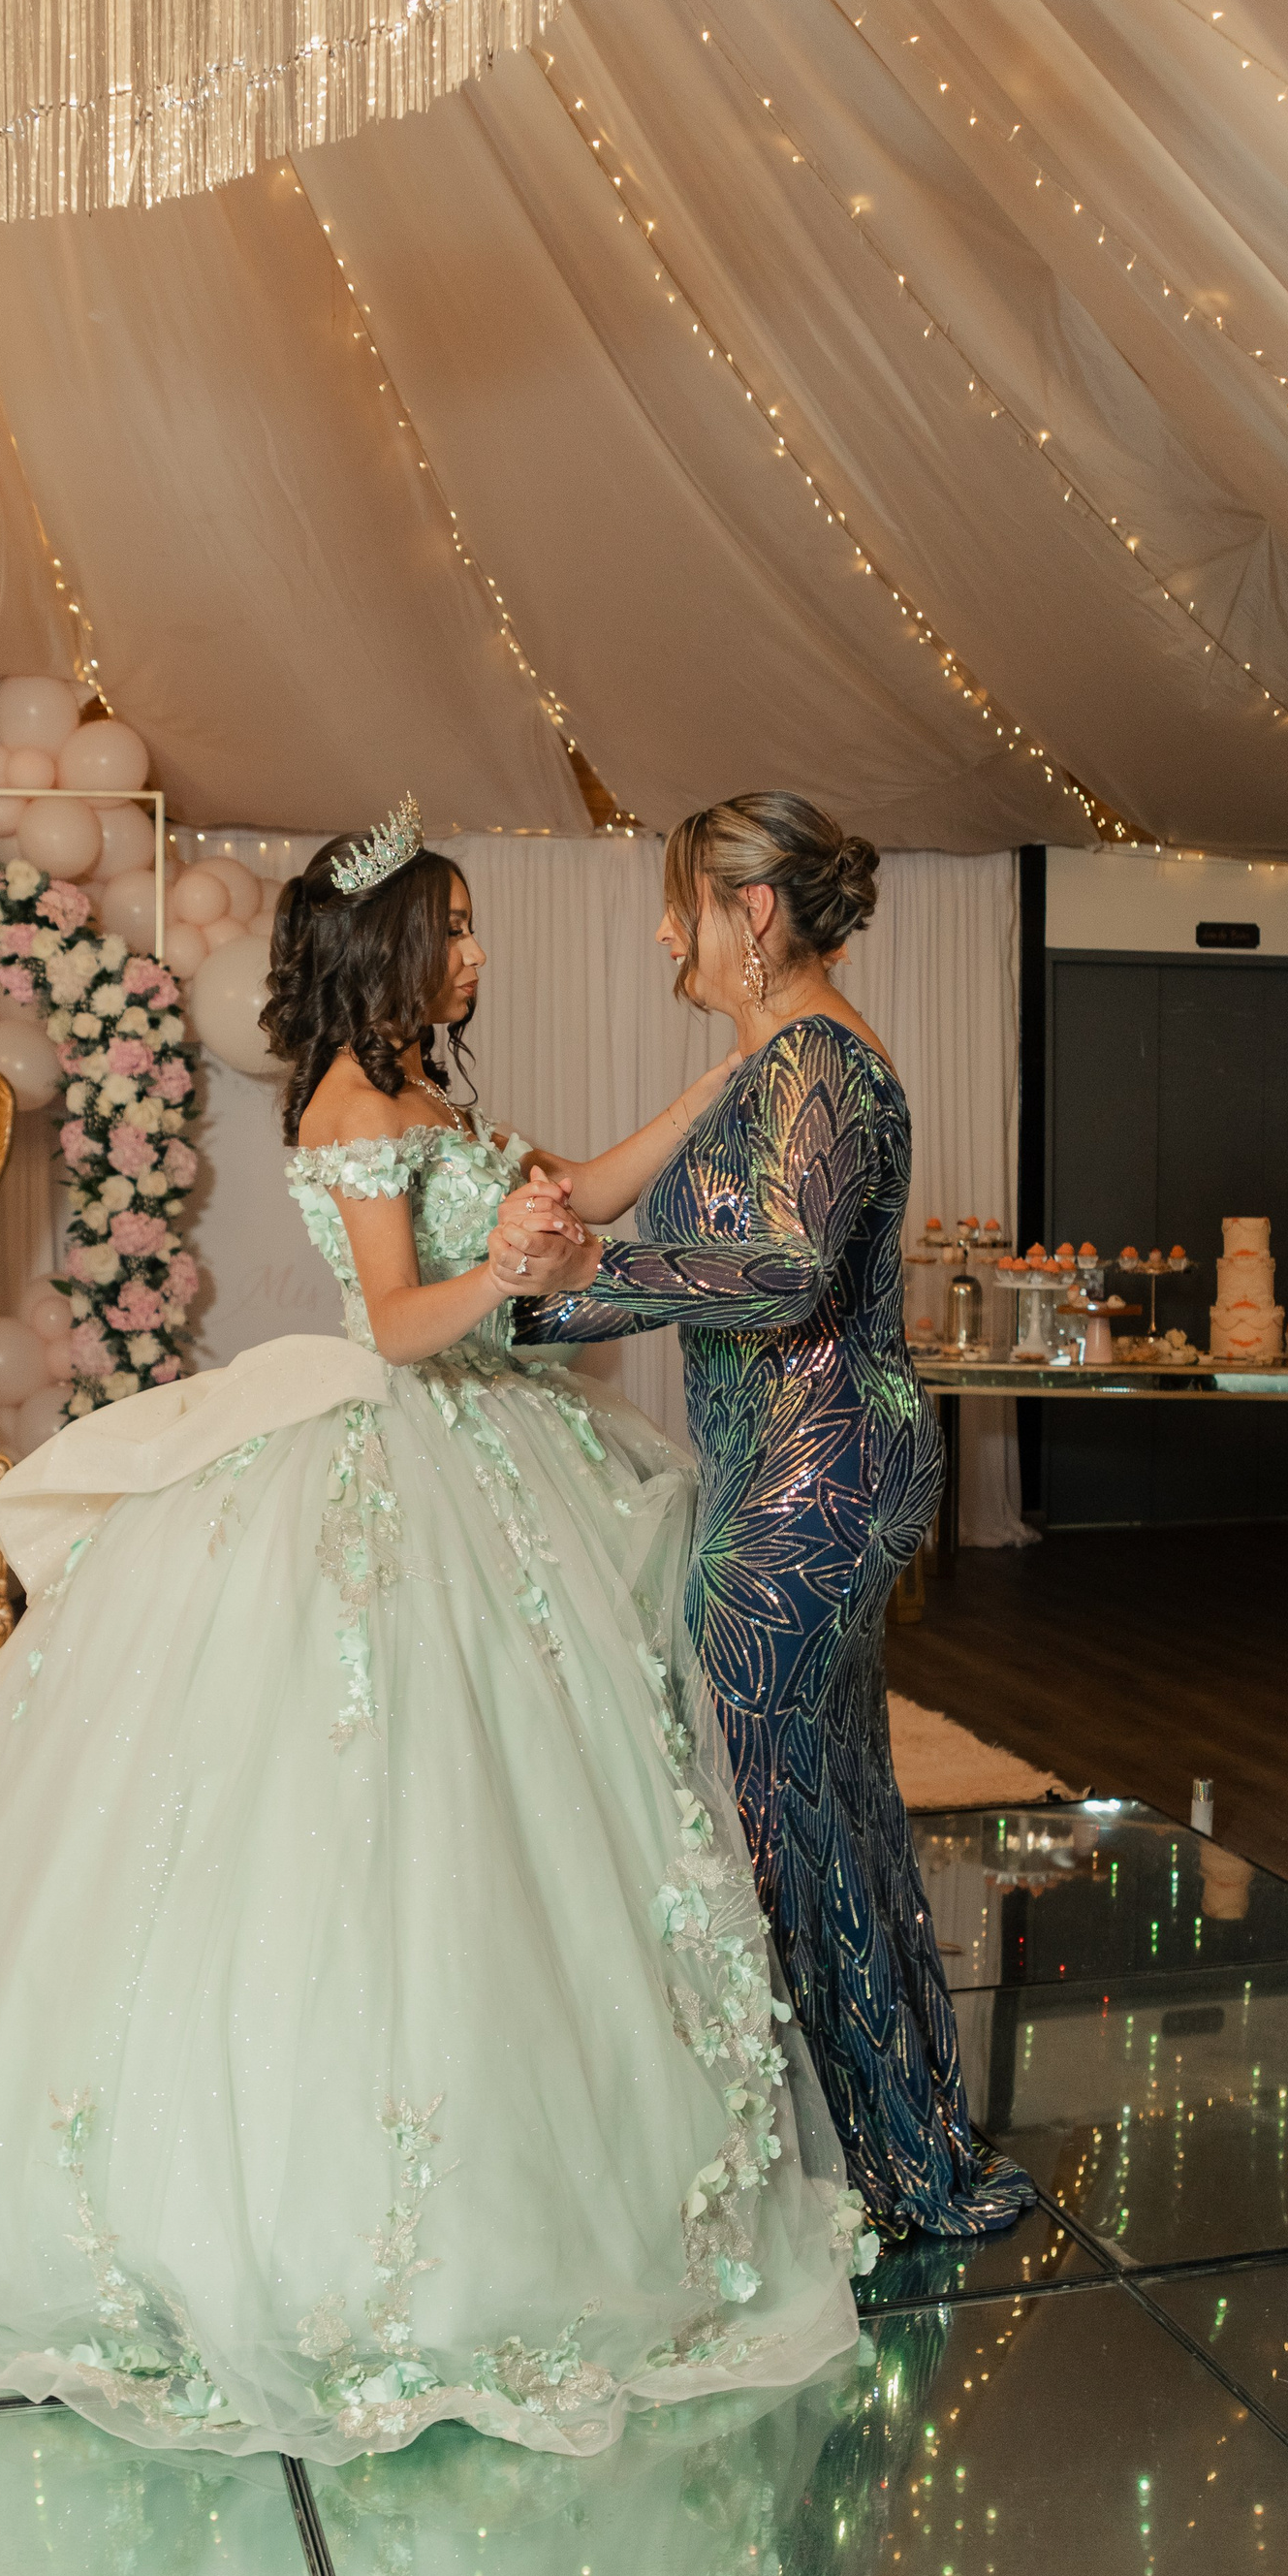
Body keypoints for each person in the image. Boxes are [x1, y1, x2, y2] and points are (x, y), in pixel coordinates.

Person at [0, 800, 875, 2465]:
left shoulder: (431, 1093)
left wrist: (714, 1090)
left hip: (494, 1456)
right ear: (392, 948)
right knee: (355, 1812)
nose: (477, 954)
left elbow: (576, 1188)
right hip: (399, 1438)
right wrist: (510, 1273)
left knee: (512, 1807)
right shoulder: (347, 1106)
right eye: (457, 928)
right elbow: (396, 1322)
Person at [498, 793, 1033, 2240]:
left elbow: (786, 1269)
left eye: (681, 905)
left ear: (752, 911)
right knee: (830, 1806)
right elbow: (733, 1253)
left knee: (784, 1819)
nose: (663, 933)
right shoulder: (790, 1059)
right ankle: (906, 2150)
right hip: (812, 1460)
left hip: (816, 1472)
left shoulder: (815, 1059)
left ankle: (886, 2167)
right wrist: (545, 1285)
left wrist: (578, 1288)